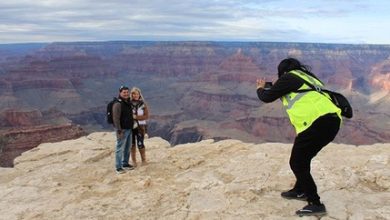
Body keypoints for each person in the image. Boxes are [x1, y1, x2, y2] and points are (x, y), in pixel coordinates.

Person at [256, 58, 341, 216]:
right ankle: (300, 190)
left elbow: (266, 97)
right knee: (303, 158)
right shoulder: (306, 77)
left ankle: (315, 203)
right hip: (331, 121)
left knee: (296, 162)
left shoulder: (289, 78)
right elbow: (284, 89)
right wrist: (273, 85)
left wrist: (260, 88)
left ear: (283, 72)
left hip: (318, 123)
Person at [112, 86, 135, 174]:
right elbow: (116, 118)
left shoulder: (127, 102)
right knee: (120, 148)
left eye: (127, 92)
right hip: (122, 130)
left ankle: (125, 163)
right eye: (124, 92)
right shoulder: (118, 104)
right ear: (120, 93)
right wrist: (119, 130)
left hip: (129, 128)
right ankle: (118, 167)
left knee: (128, 147)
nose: (126, 94)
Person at [130, 87, 150, 166]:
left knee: (140, 143)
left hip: (140, 127)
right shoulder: (129, 103)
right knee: (132, 144)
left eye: (137, 94)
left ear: (139, 94)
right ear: (132, 95)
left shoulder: (143, 104)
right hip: (131, 127)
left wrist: (136, 117)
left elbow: (146, 116)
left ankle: (143, 160)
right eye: (133, 94)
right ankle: (134, 161)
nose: (135, 95)